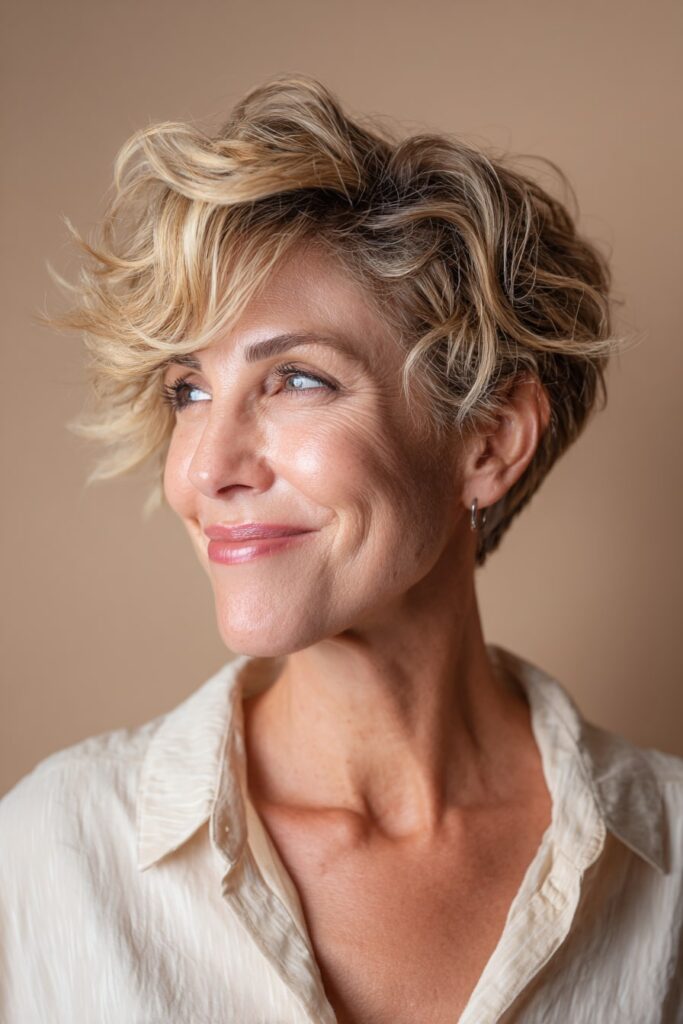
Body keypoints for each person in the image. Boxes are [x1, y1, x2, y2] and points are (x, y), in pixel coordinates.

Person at [1, 74, 681, 1024]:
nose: (206, 469)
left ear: (487, 441)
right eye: (187, 390)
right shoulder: (50, 854)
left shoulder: (670, 867)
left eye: (295, 379)